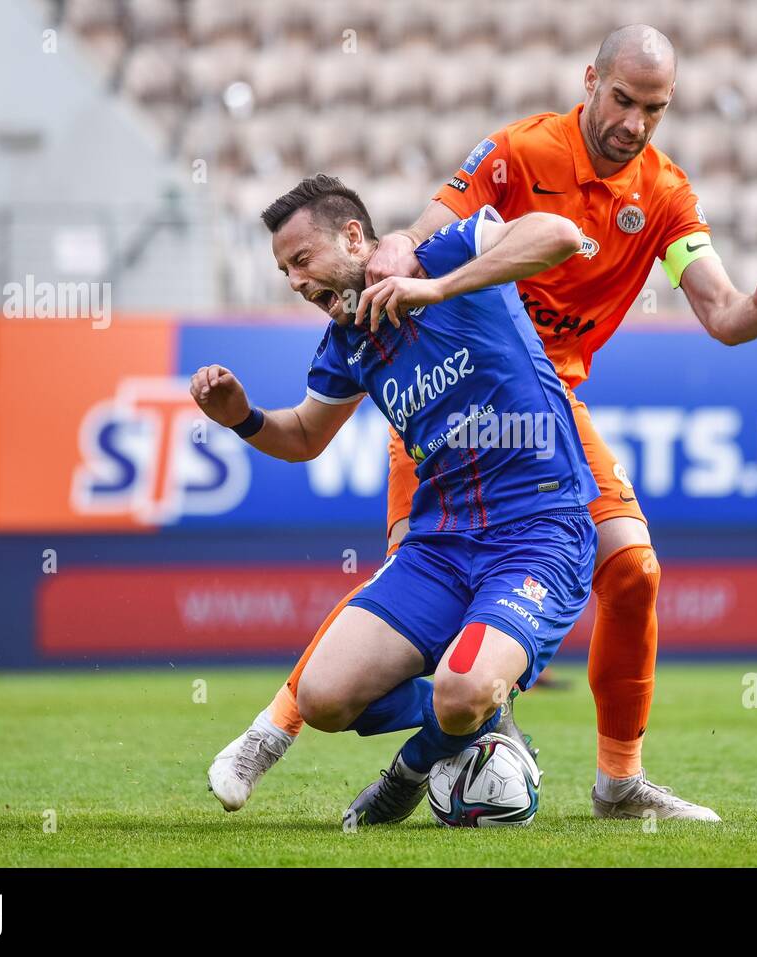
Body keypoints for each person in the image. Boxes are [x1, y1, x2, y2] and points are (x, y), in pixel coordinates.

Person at [222, 24, 757, 822]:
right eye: (624, 100)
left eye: (655, 109)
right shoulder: (519, 153)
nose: (635, 122)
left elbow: (724, 313)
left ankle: (613, 782)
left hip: (543, 401)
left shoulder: (666, 198)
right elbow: (412, 238)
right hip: (439, 395)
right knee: (404, 589)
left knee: (633, 569)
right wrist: (414, 274)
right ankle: (287, 728)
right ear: (591, 81)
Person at [198, 174, 597, 825]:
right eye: (284, 271)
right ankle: (474, 718)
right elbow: (303, 435)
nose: (296, 282)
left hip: (538, 531)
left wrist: (434, 286)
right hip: (439, 547)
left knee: (460, 685)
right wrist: (241, 417)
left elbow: (559, 235)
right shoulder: (349, 341)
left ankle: (411, 768)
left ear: (355, 237)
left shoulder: (446, 254)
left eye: (302, 260)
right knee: (324, 699)